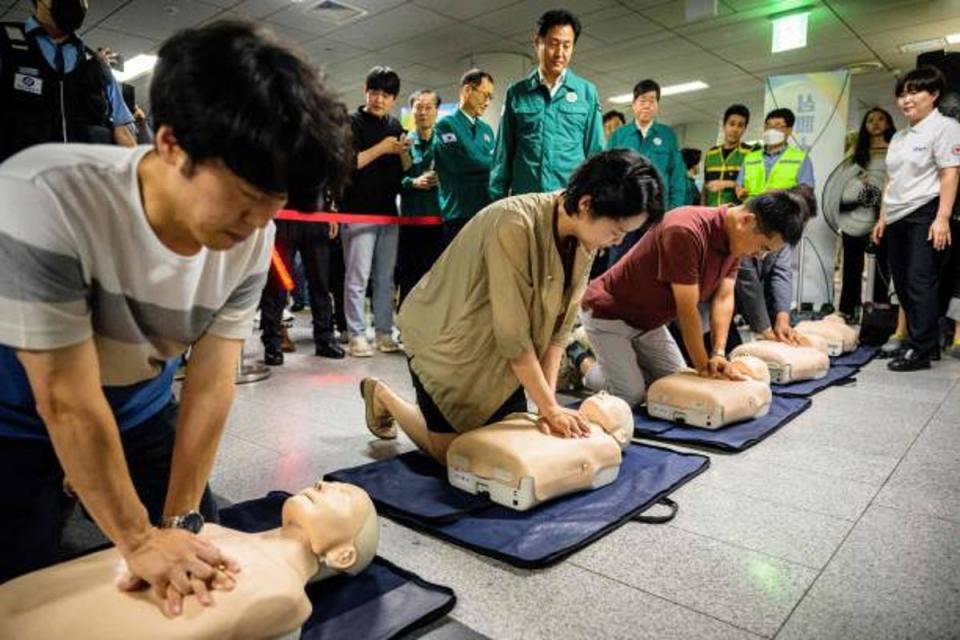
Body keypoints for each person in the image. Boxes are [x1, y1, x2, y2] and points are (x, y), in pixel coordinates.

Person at [0, 19, 352, 616]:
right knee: (23, 601)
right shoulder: (41, 195)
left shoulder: (249, 231)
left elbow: (212, 383)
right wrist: (137, 540)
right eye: (244, 195)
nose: (257, 222)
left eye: (275, 202)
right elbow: (64, 399)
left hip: (141, 407)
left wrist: (178, 520)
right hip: (15, 418)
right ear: (169, 144)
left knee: (204, 579)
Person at [359, 150, 663, 463]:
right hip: (446, 337)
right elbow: (514, 336)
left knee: (507, 443)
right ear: (586, 205)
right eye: (616, 231)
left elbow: (559, 331)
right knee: (454, 454)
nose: (617, 241)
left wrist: (549, 405)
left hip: (498, 348)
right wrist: (548, 407)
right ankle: (381, 394)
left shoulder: (585, 238)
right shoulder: (514, 223)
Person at [0, 482, 378, 637]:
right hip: (25, 599)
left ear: (342, 554)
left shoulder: (288, 598)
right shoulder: (214, 533)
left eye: (342, 496)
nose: (325, 484)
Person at [580, 187, 816, 407]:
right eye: (763, 248)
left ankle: (619, 363)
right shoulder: (686, 230)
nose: (759, 257)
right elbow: (687, 311)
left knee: (676, 385)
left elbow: (724, 299)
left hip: (649, 322)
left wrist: (718, 354)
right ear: (747, 220)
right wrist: (704, 367)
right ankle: (580, 359)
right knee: (630, 396)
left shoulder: (736, 241)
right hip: (609, 312)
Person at [872, 66, 960, 371]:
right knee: (905, 285)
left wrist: (943, 218)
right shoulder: (898, 136)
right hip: (896, 215)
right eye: (902, 93)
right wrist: (883, 216)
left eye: (914, 91)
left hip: (925, 212)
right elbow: (890, 179)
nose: (906, 99)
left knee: (921, 282)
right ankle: (922, 343)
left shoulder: (945, 127)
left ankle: (921, 349)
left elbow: (950, 173)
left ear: (933, 95)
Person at [489, 9, 605, 201]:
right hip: (526, 201)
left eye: (566, 46)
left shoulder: (586, 93)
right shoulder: (516, 93)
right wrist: (496, 202)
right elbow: (503, 154)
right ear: (537, 43)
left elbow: (596, 153)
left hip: (569, 200)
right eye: (553, 44)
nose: (560, 53)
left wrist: (595, 199)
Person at [0, 0, 136, 162]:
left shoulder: (96, 66)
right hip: (18, 181)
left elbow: (123, 131)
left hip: (78, 181)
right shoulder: (5, 42)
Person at [341, 66, 412, 357]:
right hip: (357, 212)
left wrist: (405, 150)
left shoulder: (395, 125)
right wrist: (382, 148)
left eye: (385, 95)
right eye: (374, 93)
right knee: (357, 277)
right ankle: (357, 333)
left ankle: (384, 331)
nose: (379, 99)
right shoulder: (351, 123)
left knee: (385, 278)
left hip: (388, 212)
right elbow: (349, 163)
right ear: (365, 92)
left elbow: (405, 168)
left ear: (394, 98)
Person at [605, 79, 686, 266]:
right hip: (624, 213)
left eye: (652, 101)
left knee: (652, 265)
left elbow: (677, 178)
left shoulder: (667, 136)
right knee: (619, 264)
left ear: (658, 106)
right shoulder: (620, 135)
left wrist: (673, 212)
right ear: (633, 105)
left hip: (656, 214)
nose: (647, 105)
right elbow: (608, 175)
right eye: (642, 101)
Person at [259, 196, 345, 366]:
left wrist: (332, 210)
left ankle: (325, 338)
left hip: (317, 212)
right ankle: (272, 342)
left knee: (320, 282)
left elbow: (330, 174)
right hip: (284, 211)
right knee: (277, 284)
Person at [837, 108, 896, 321]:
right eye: (870, 120)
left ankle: (879, 311)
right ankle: (847, 310)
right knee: (852, 264)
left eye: (881, 119)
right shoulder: (856, 153)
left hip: (883, 213)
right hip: (855, 213)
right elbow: (841, 182)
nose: (876, 123)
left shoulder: (895, 150)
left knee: (882, 264)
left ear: (889, 123)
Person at [433, 69, 496, 249]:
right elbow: (459, 165)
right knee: (459, 273)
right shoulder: (446, 125)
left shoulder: (487, 131)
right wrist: (494, 163)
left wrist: (479, 160)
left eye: (491, 97)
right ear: (468, 90)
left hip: (486, 211)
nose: (488, 102)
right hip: (459, 215)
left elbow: (477, 162)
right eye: (485, 95)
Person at [397, 88, 444, 304]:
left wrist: (443, 178)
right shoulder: (403, 143)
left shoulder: (446, 143)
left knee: (438, 277)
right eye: (418, 107)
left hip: (439, 221)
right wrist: (412, 182)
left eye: (428, 107)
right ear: (412, 111)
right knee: (409, 275)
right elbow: (390, 181)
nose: (423, 112)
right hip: (410, 221)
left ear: (436, 111)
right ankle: (405, 328)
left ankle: (433, 329)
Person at [737, 108, 815, 201]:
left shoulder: (800, 159)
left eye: (777, 126)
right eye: (768, 126)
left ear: (789, 130)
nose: (771, 130)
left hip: (783, 213)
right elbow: (739, 184)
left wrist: (782, 193)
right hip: (751, 212)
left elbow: (807, 192)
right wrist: (740, 191)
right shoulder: (749, 158)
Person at [702, 104, 754, 206]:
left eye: (740, 125)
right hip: (711, 213)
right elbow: (705, 186)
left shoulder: (750, 153)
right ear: (724, 125)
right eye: (732, 124)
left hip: (737, 213)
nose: (735, 129)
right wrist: (702, 209)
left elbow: (753, 186)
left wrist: (727, 184)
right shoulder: (711, 154)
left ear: (745, 128)